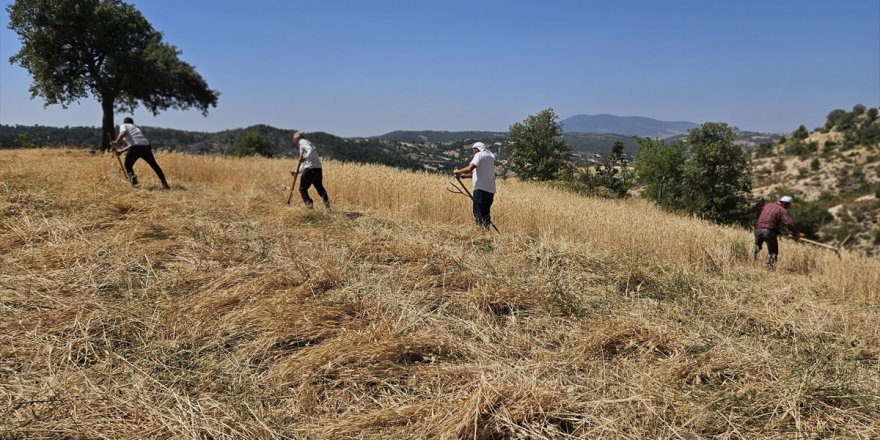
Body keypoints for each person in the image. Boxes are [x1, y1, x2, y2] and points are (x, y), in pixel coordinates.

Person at [112, 117, 170, 189]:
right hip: (146, 147)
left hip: (136, 148)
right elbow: (135, 143)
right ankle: (165, 185)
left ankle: (135, 185)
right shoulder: (135, 128)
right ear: (132, 123)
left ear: (124, 122)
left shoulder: (124, 125)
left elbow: (123, 133)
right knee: (154, 165)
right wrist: (121, 151)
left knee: (128, 165)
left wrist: (116, 141)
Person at [453, 141, 496, 229]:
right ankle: (486, 232)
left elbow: (470, 168)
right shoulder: (490, 157)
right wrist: (465, 176)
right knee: (485, 213)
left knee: (478, 212)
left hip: (480, 189)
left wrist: (457, 171)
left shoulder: (479, 155)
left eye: (474, 150)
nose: (473, 152)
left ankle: (479, 231)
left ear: (477, 149)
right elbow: (481, 173)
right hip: (491, 189)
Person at [752, 195, 800, 268]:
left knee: (757, 245)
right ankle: (770, 268)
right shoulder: (782, 210)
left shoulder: (767, 205)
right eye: (789, 205)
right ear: (786, 203)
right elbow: (789, 223)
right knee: (773, 252)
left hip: (758, 229)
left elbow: (759, 214)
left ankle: (751, 260)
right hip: (769, 231)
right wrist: (795, 234)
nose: (788, 207)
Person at [292, 131, 330, 208]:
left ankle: (309, 205)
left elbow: (310, 152)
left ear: (297, 138)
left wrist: (304, 157)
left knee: (302, 189)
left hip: (310, 169)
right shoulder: (307, 142)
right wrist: (297, 171)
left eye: (294, 138)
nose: (294, 140)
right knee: (320, 188)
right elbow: (305, 162)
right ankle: (327, 206)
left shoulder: (302, 142)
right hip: (318, 169)